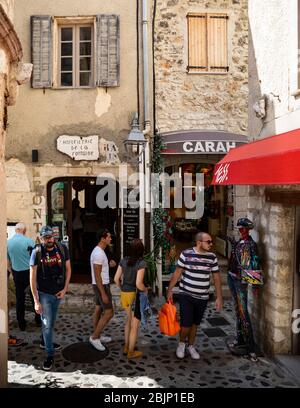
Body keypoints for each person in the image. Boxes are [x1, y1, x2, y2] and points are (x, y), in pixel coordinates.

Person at [167, 232, 223, 360]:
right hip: (186, 294)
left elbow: (216, 278)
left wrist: (219, 297)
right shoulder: (186, 254)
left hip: (203, 297)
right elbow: (177, 272)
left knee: (194, 324)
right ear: (199, 242)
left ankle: (191, 346)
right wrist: (170, 289)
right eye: (208, 241)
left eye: (211, 241)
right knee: (186, 324)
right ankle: (181, 344)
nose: (211, 244)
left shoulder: (212, 257)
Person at [30, 226, 71, 371]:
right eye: (46, 237)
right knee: (47, 325)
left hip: (58, 293)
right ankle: (49, 355)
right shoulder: (36, 252)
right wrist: (36, 301)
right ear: (41, 238)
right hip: (44, 295)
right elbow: (32, 278)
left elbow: (68, 269)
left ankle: (44, 341)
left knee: (51, 323)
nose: (50, 239)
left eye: (51, 236)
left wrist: (65, 289)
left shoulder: (61, 248)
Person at [227, 218, 262, 362]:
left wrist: (255, 285)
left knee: (243, 312)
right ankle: (240, 339)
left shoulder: (251, 244)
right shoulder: (239, 242)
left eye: (243, 229)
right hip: (231, 277)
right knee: (237, 311)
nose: (241, 231)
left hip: (241, 280)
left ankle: (251, 347)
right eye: (239, 229)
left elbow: (255, 262)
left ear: (248, 229)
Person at [114, 238, 147, 359]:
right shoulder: (141, 263)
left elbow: (116, 279)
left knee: (128, 321)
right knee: (135, 325)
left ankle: (126, 347)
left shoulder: (123, 261)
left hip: (124, 294)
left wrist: (122, 288)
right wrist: (145, 289)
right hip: (134, 295)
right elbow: (139, 284)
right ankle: (131, 352)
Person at [7, 222, 41, 331]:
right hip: (28, 272)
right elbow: (35, 258)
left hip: (16, 272)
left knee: (19, 298)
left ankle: (21, 323)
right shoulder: (29, 241)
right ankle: (38, 320)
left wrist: (11, 271)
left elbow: (7, 261)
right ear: (24, 230)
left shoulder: (8, 243)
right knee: (34, 296)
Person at [89, 228, 116, 351]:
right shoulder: (99, 253)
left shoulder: (100, 252)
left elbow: (100, 270)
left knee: (98, 309)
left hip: (99, 285)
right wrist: (103, 293)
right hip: (101, 285)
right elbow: (97, 274)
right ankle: (94, 337)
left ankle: (97, 335)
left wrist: (108, 264)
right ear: (103, 239)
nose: (110, 239)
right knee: (109, 312)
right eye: (109, 237)